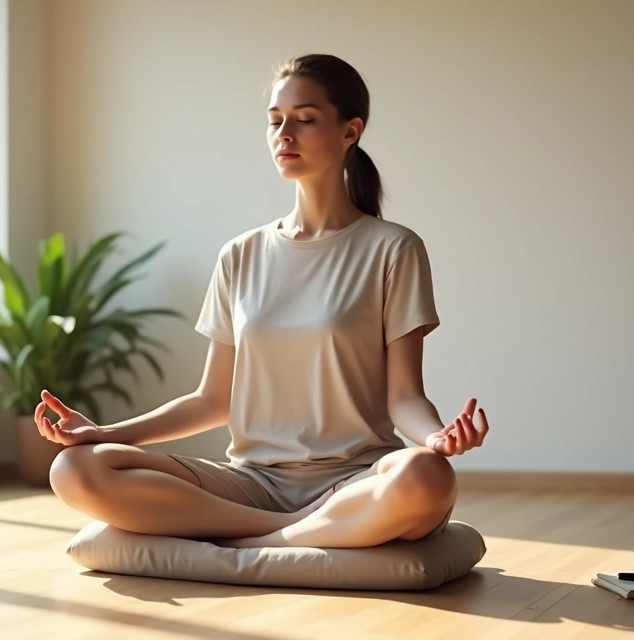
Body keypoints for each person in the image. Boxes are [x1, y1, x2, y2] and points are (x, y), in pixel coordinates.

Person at [34, 54, 489, 549]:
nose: (284, 133)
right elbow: (214, 400)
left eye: (305, 119)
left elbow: (403, 397)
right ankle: (288, 534)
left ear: (350, 131)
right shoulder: (240, 254)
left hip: (356, 478)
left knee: (427, 476)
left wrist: (436, 438)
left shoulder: (393, 248)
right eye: (275, 121)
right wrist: (105, 434)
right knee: (75, 468)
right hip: (253, 484)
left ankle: (248, 541)